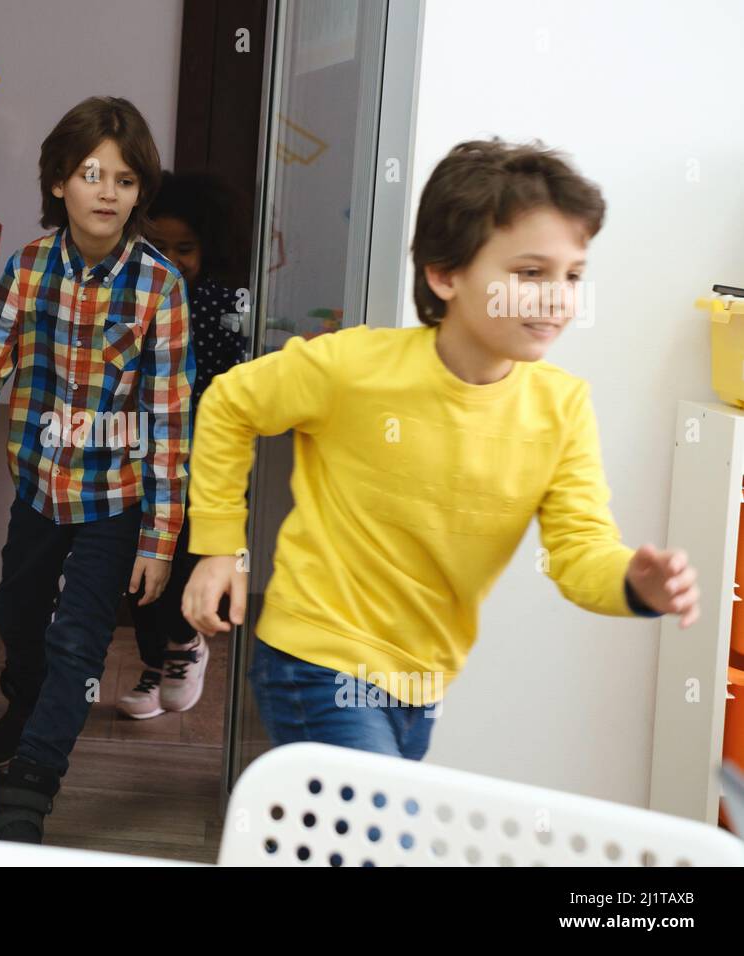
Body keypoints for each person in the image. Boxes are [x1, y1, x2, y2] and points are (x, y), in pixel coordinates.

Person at [181, 139, 700, 760]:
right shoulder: (356, 367)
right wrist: (219, 546)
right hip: (317, 658)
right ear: (445, 273)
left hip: (422, 684)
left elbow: (578, 553)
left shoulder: (562, 409)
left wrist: (633, 583)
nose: (558, 297)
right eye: (530, 273)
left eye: (573, 276)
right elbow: (229, 403)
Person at [0, 96, 193, 842]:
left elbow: (171, 422)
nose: (108, 192)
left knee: (80, 643)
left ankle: (30, 787)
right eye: (91, 174)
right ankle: (29, 694)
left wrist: (160, 539)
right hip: (39, 489)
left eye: (126, 180)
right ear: (58, 185)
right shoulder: (29, 269)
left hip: (115, 500)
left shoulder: (160, 286)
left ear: (141, 193)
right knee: (17, 615)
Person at [118, 171, 246, 719]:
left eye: (185, 248)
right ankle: (156, 659)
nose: (172, 258)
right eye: (158, 246)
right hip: (137, 454)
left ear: (207, 248)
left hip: (202, 460)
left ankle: (185, 645)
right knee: (139, 560)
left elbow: (243, 386)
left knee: (188, 554)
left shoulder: (226, 302)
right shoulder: (129, 296)